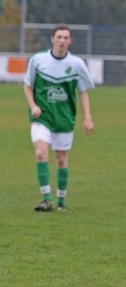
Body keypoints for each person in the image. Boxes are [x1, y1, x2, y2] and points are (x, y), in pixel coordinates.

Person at [23, 24, 95, 212]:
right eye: (59, 37)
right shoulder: (38, 60)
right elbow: (27, 85)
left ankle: (61, 202)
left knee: (61, 159)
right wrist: (33, 106)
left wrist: (87, 117)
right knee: (40, 153)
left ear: (70, 41)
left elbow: (83, 91)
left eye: (66, 38)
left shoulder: (77, 64)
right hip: (42, 117)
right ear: (52, 39)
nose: (62, 41)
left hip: (64, 118)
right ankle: (46, 200)